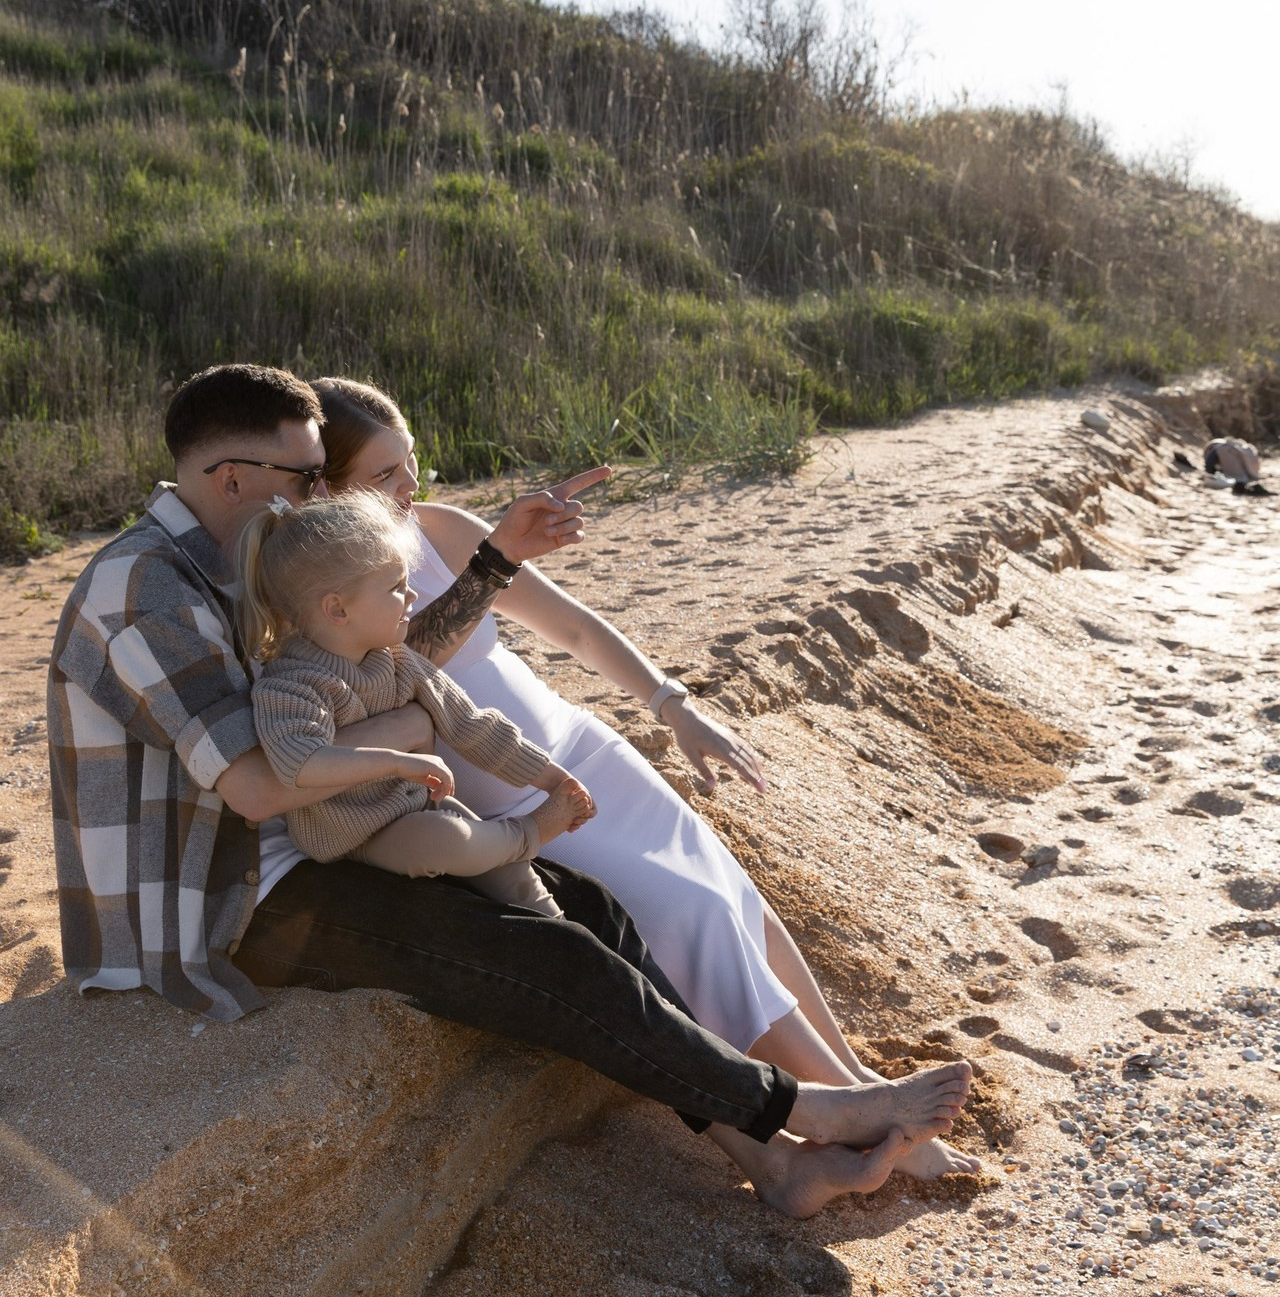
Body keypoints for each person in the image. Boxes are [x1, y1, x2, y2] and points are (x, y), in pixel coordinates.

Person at [48, 362, 972, 1219]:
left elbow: (371, 676)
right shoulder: (145, 586)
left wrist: (436, 699)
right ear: (230, 477)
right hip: (225, 899)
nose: (311, 491)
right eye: (299, 474)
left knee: (592, 912)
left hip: (315, 838)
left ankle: (774, 1162)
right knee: (545, 958)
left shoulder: (241, 556)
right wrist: (417, 726)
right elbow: (258, 788)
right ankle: (801, 1109)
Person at [315, 376, 980, 1182]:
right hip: (531, 796)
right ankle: (845, 1118)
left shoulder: (441, 530)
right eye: (384, 476)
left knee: (735, 895)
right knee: (693, 916)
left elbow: (575, 628)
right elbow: (402, 670)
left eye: (411, 462)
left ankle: (858, 1084)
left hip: (589, 748)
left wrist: (675, 706)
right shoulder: (324, 593)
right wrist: (497, 560)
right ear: (325, 485)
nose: (408, 487)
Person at [238, 488, 596, 918]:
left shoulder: (397, 659)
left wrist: (554, 780)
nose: (412, 598)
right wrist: (398, 762)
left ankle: (552, 922)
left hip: (412, 802)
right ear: (337, 609)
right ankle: (529, 833)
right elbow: (301, 763)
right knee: (451, 843)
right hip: (356, 835)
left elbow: (471, 725)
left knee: (501, 865)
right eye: (396, 587)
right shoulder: (290, 685)